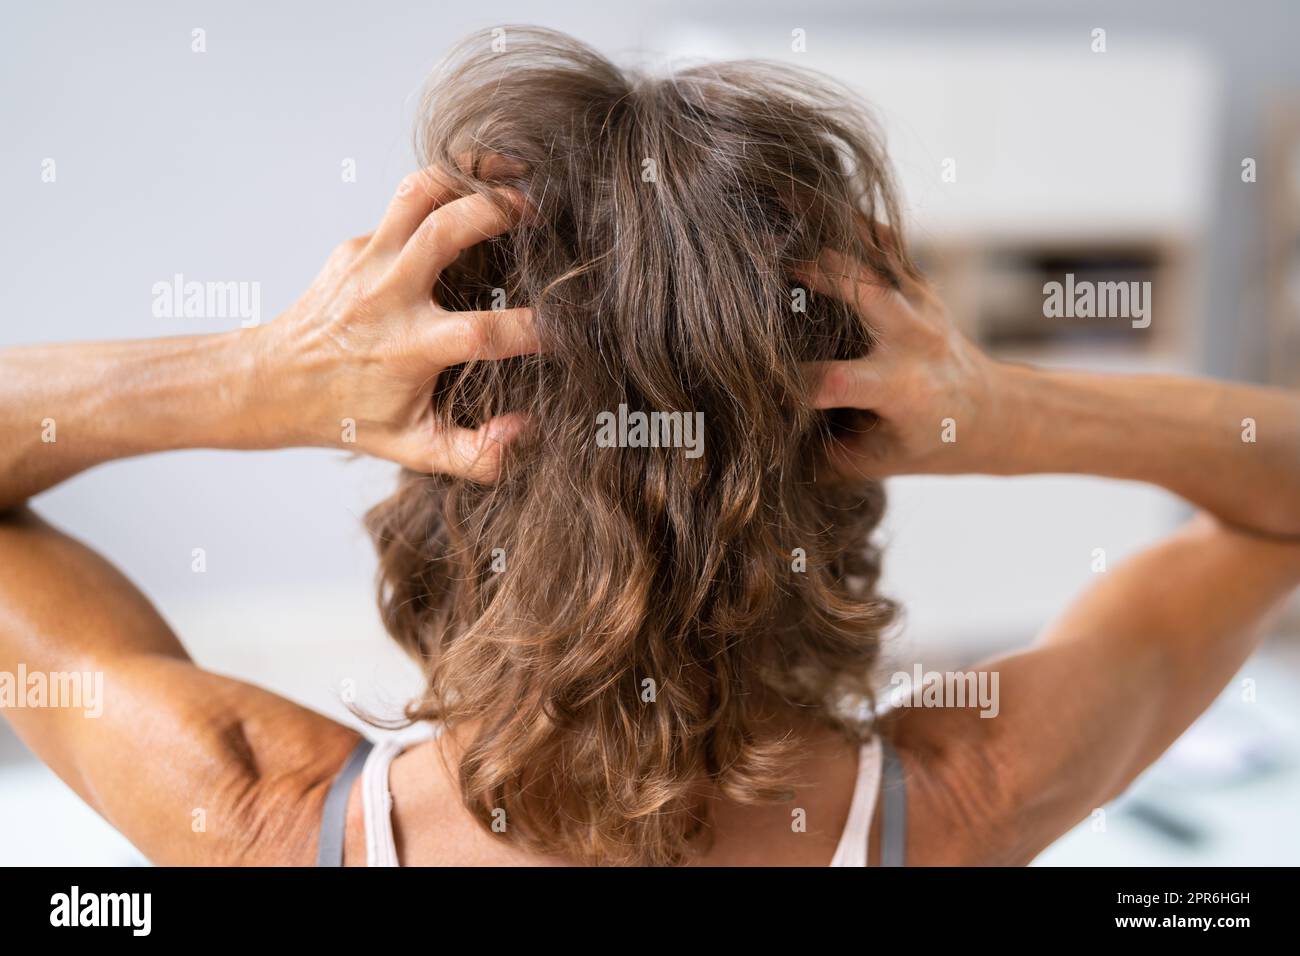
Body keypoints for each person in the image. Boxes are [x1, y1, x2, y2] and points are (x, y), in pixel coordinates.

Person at [2, 28, 1298, 867]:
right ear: (830, 474)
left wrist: (252, 380)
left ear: (440, 482)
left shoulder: (262, 818)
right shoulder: (969, 803)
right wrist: (1012, 412)